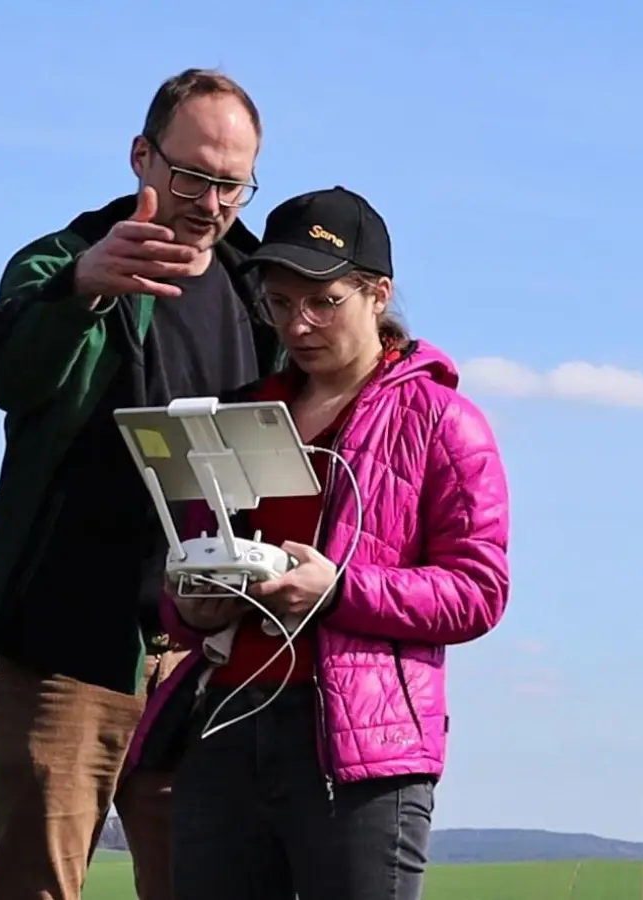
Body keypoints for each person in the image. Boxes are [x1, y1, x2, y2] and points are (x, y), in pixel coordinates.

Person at [124, 185, 512, 900]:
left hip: (362, 749)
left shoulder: (443, 421)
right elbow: (200, 553)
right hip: (226, 720)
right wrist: (193, 605)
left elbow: (479, 592)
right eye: (278, 303)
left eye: (323, 301)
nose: (298, 324)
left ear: (378, 294)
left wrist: (337, 590)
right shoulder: (243, 411)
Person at [0, 68, 282, 900]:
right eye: (192, 176)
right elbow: (8, 374)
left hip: (207, 655)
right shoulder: (63, 261)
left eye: (232, 183)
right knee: (37, 886)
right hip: (67, 642)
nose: (211, 203)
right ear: (142, 157)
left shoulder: (261, 291)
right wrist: (79, 291)